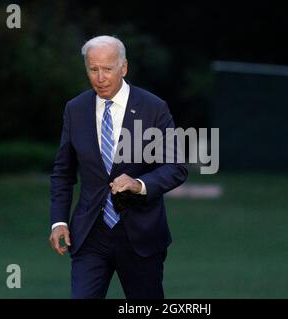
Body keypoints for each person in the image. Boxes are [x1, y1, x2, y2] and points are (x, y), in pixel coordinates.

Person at [49, 35, 187, 299]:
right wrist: (58, 221)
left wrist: (139, 184)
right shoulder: (75, 109)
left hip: (140, 235)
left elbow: (175, 166)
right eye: (93, 69)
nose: (100, 77)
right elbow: (62, 173)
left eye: (107, 69)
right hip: (90, 234)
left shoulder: (153, 108)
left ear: (123, 68)